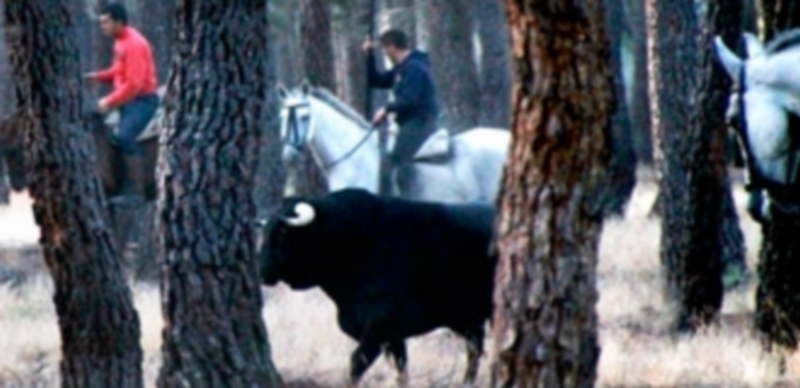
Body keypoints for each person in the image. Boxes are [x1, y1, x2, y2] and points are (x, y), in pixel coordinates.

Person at [85, 3, 159, 206]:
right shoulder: (120, 42)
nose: (103, 26)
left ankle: (136, 191)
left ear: (119, 21)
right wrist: (99, 77)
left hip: (142, 101)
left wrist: (109, 101)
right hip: (129, 101)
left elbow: (134, 84)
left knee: (125, 136)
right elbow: (119, 72)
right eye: (101, 22)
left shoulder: (133, 44)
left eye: (106, 22)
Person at [363, 29, 438, 197]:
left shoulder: (415, 68)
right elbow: (376, 81)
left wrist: (386, 109)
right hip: (408, 122)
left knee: (396, 160)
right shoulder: (401, 68)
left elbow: (409, 99)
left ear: (392, 47)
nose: (385, 54)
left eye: (385, 49)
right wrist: (369, 57)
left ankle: (409, 199)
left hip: (420, 121)